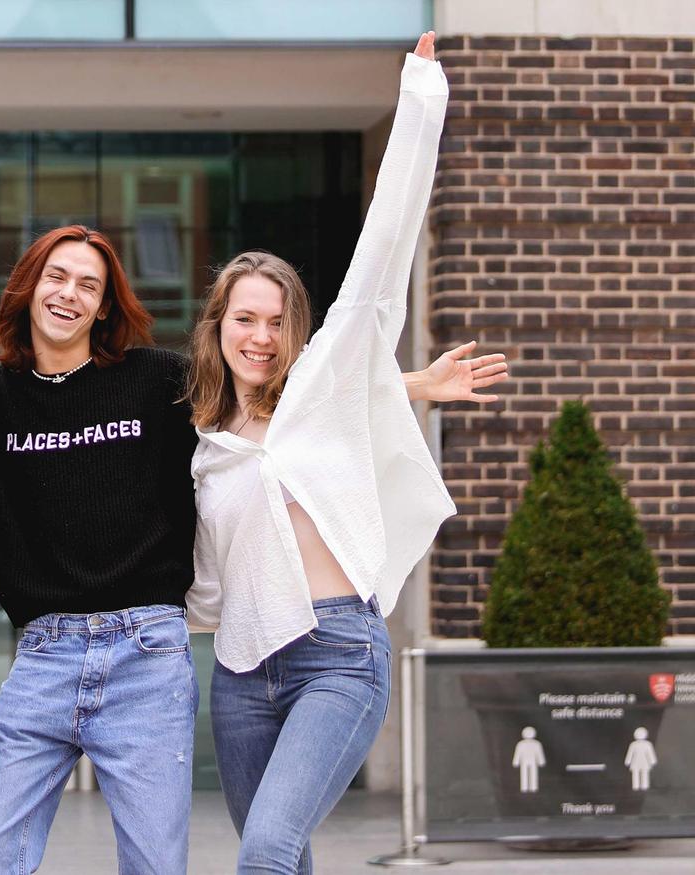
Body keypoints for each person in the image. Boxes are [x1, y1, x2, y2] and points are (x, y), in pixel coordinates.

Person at [0, 107, 504, 872]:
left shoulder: (159, 382)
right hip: (44, 654)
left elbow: (278, 399)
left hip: (148, 652)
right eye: (56, 276)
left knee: (155, 862)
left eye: (88, 284)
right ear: (30, 289)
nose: (70, 293)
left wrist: (411, 383)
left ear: (104, 301)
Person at [182, 33, 500, 874]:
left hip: (336, 651)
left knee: (267, 851)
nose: (259, 333)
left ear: (299, 327)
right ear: (218, 326)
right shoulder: (205, 445)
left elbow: (384, 245)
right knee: (283, 855)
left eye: (275, 317)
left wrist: (421, 99)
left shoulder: (325, 388)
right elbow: (202, 580)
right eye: (242, 318)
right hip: (241, 670)